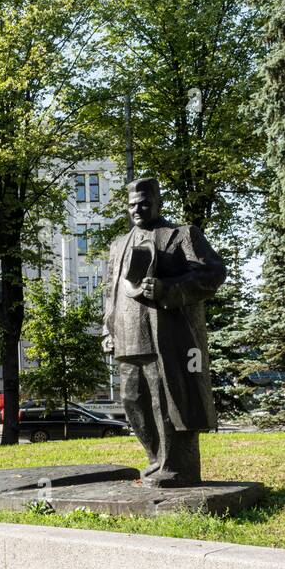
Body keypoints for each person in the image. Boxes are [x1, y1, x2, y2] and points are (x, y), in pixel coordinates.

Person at [101, 177, 226, 486]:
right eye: (131, 205)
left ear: (158, 202)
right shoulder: (118, 245)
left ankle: (176, 467)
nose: (137, 209)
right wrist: (108, 330)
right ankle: (156, 460)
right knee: (133, 401)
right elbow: (109, 292)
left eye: (143, 203)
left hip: (165, 337)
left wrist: (166, 288)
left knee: (165, 400)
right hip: (128, 335)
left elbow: (213, 273)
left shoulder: (182, 236)